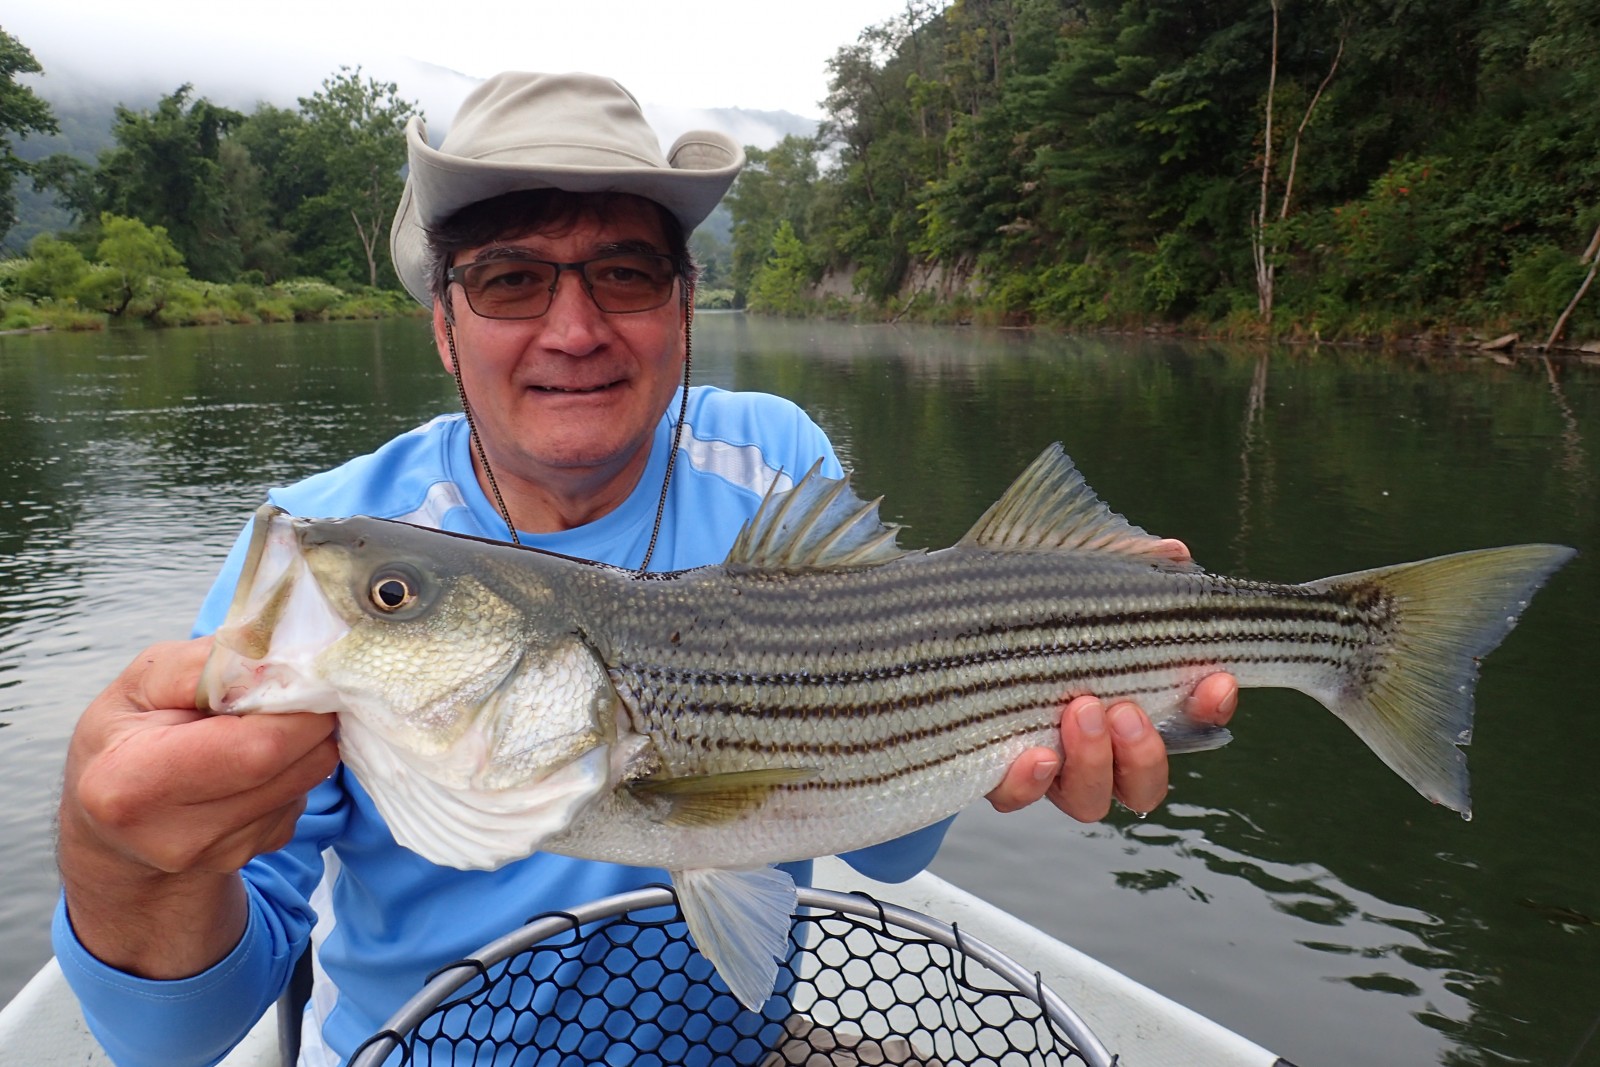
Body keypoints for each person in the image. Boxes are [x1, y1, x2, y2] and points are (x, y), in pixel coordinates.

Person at [51, 72, 1239, 1066]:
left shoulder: (772, 456)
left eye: (622, 273)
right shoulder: (327, 549)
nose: (573, 328)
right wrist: (115, 860)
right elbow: (179, 1039)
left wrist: (999, 698)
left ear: (682, 307)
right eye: (511, 279)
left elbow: (875, 844)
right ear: (442, 323)